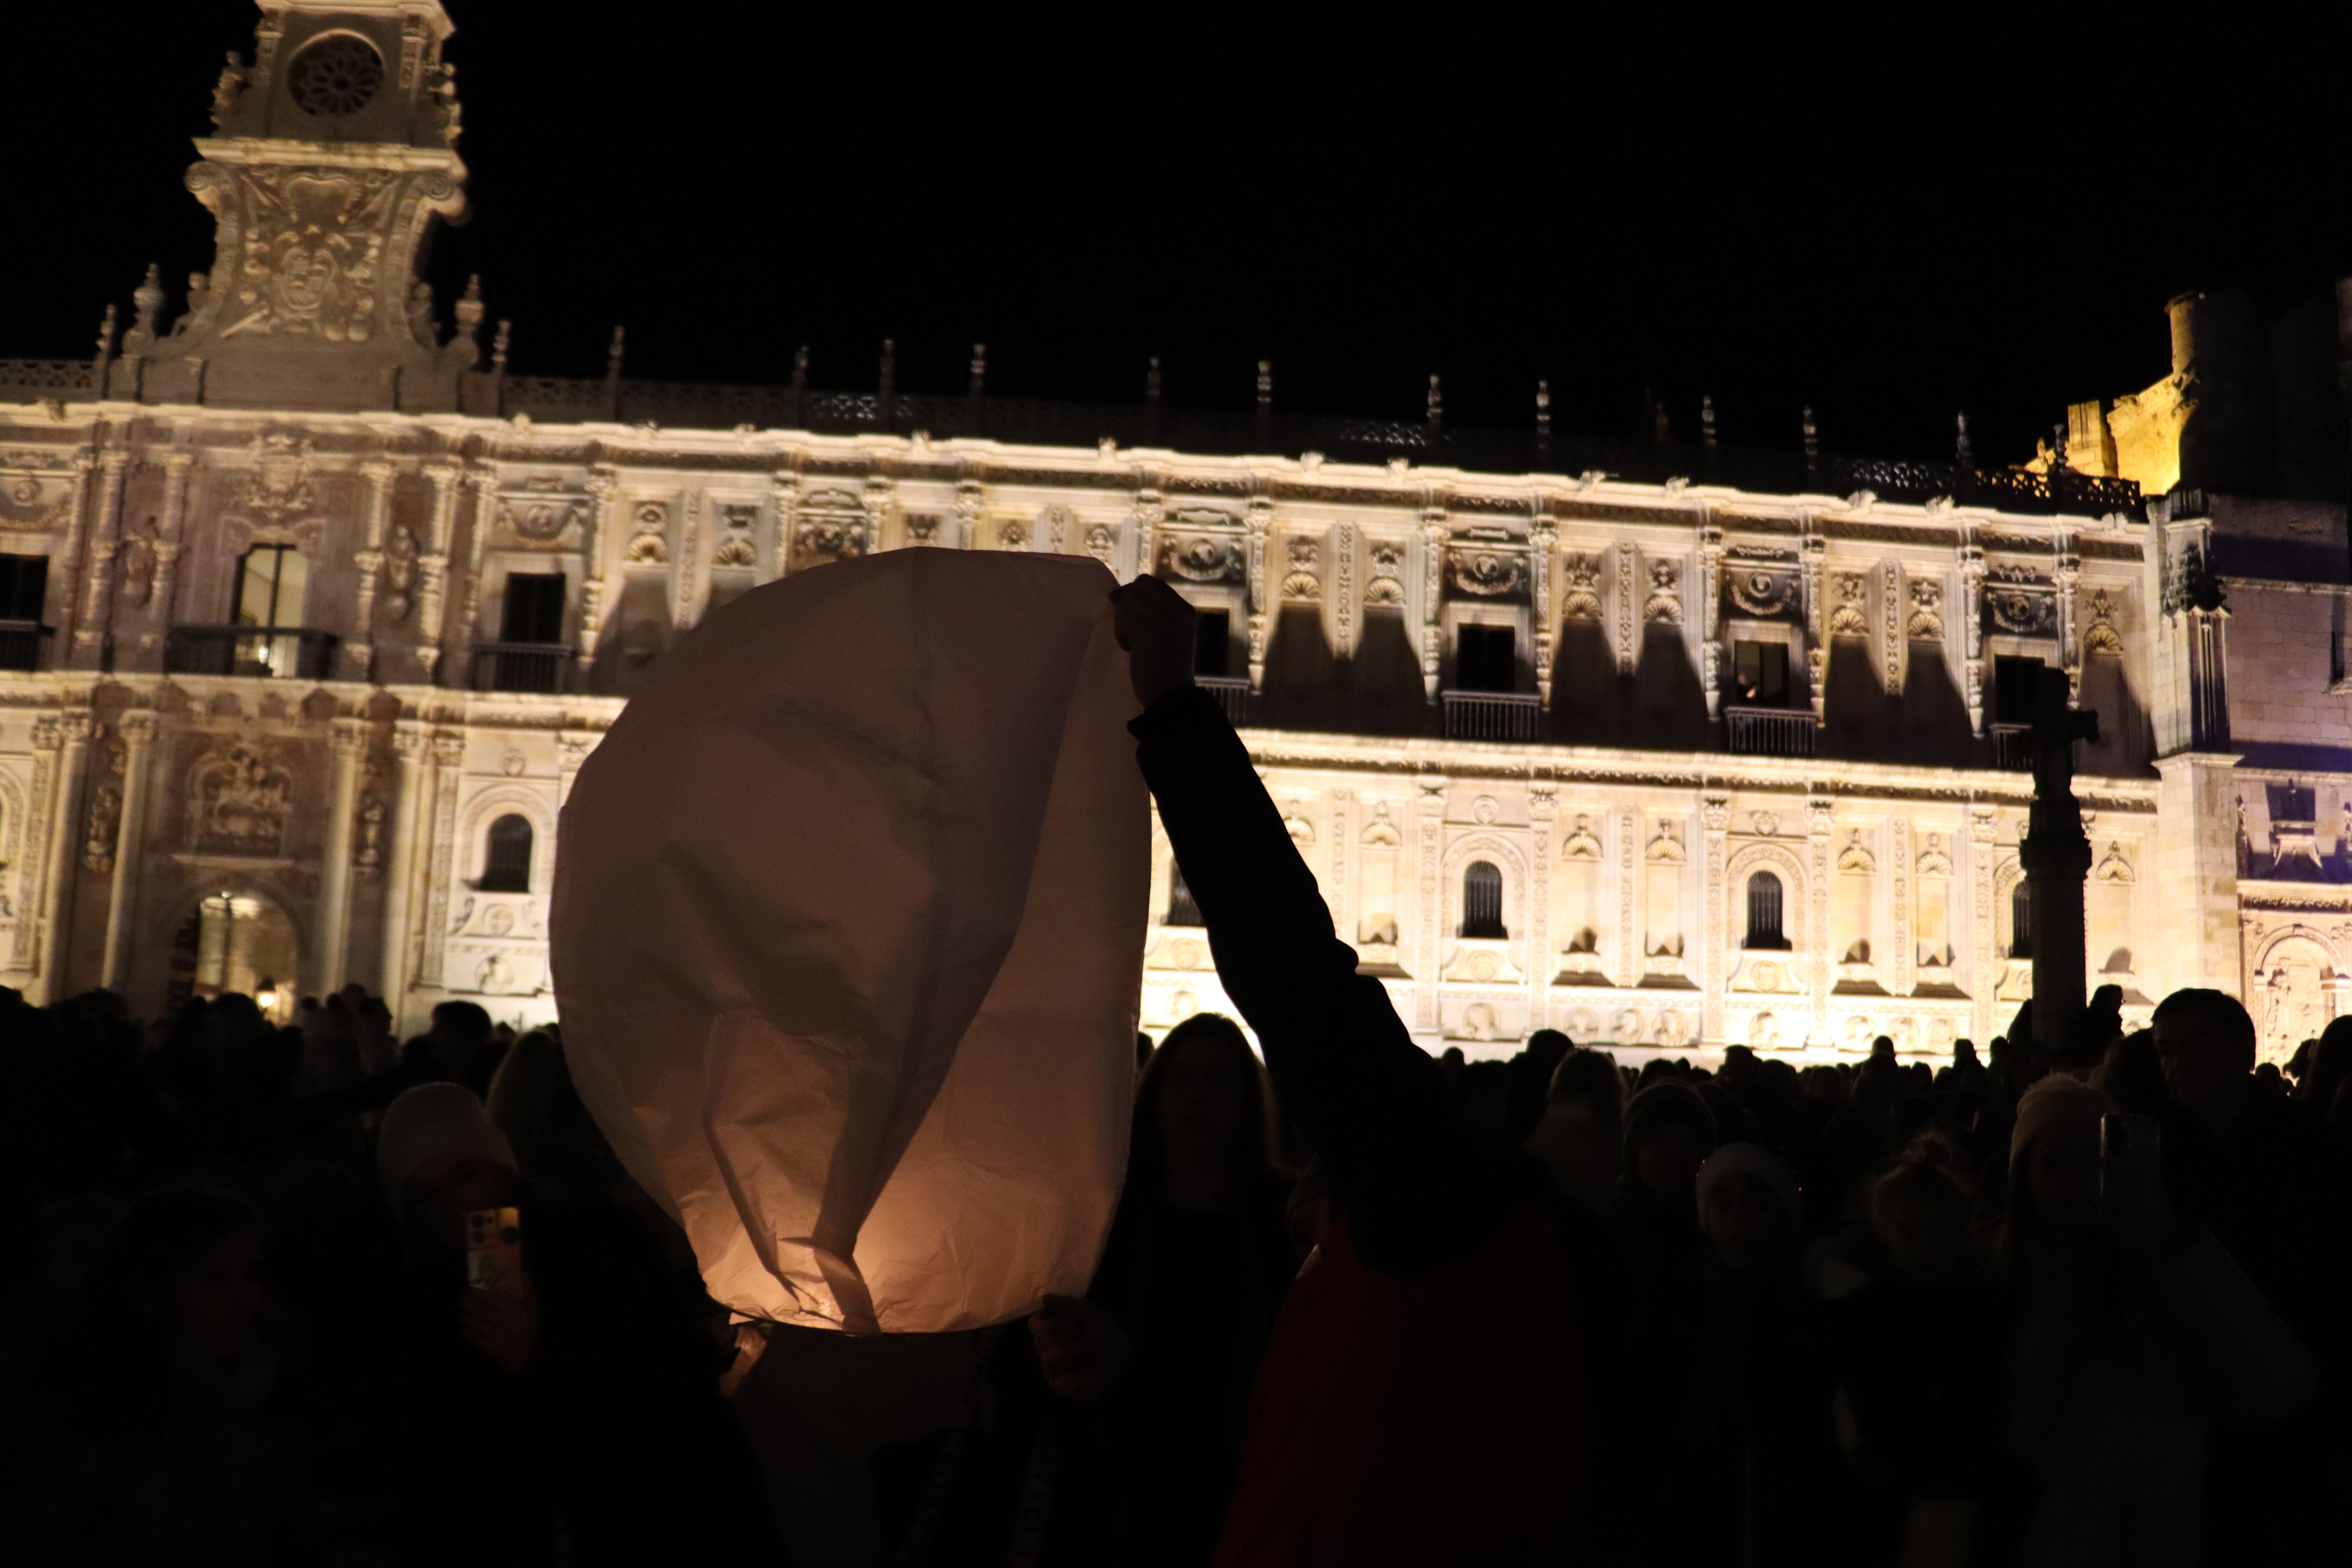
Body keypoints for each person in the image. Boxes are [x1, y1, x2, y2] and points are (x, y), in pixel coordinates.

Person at [1108, 574, 1592, 1565]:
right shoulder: (1493, 1271)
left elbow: (1296, 980)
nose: (1304, 1192)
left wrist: (1171, 710)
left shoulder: (1438, 1221)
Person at [367, 1082, 778, 1567]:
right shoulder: (422, 1301)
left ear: (499, 1167)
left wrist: (544, 1357)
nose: (456, 1207)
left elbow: (677, 1396)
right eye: (426, 1197)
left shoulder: (598, 1245)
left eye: (464, 1175)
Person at [2000, 1073, 2316, 1566]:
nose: (2076, 1177)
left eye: (2095, 1156)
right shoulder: (1983, 1281)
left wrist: (2169, 1245)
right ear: (2023, 1174)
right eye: (2054, 1159)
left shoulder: (2169, 1267)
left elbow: (2277, 1386)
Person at [1036, 1011, 1299, 1566]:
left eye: (1218, 1080)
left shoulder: (1283, 1220)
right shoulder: (1109, 1216)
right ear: (1154, 1095)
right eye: (1183, 1079)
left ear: (1246, 1100)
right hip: (1117, 1470)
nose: (1198, 1097)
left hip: (1234, 1467)